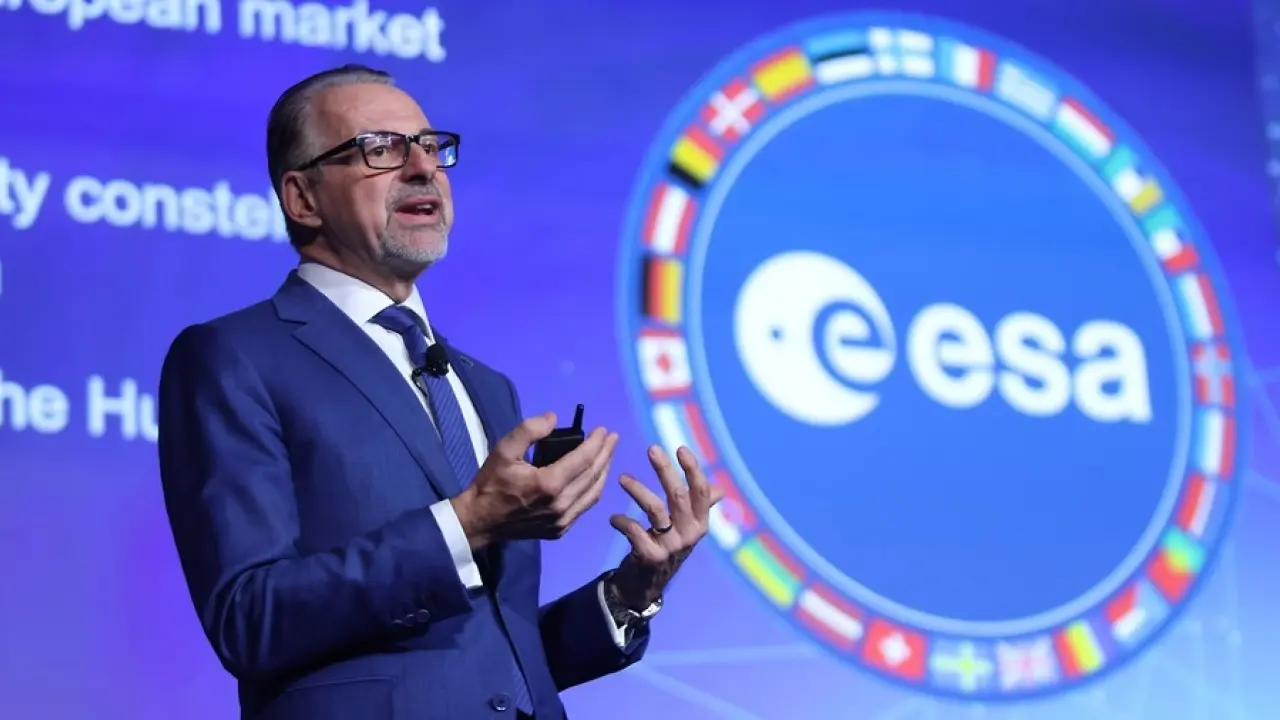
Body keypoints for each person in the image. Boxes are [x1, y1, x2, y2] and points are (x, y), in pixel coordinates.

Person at [156, 64, 724, 720]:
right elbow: (249, 618)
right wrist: (467, 522)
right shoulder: (235, 357)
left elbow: (486, 661)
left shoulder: (485, 387)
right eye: (381, 149)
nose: (423, 167)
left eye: (430, 146)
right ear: (303, 198)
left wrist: (629, 594)